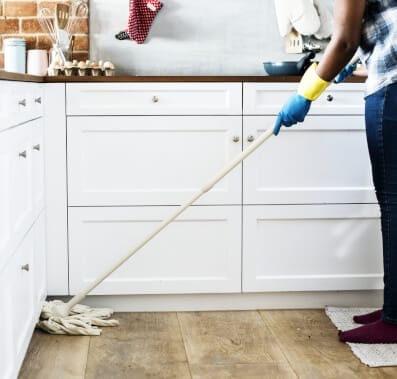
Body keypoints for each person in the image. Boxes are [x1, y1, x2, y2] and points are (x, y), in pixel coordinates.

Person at [274, 0, 397, 344]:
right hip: (390, 77)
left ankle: (395, 319)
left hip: (392, 89)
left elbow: (344, 40)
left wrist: (306, 91)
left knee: (393, 203)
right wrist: (359, 64)